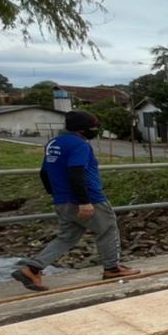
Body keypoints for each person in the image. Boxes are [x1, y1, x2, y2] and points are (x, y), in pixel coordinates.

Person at [12, 110, 139, 291]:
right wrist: (84, 202)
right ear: (82, 129)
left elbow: (44, 173)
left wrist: (56, 194)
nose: (95, 131)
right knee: (108, 229)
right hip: (89, 199)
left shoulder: (54, 143)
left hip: (62, 201)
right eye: (93, 128)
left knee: (67, 237)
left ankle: (32, 269)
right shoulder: (80, 145)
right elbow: (76, 172)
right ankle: (112, 269)